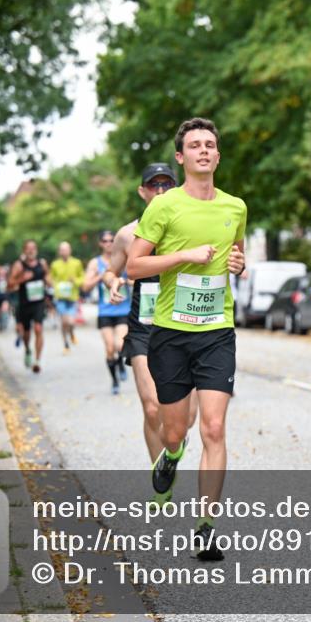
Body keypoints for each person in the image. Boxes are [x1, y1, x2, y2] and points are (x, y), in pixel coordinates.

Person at [127, 118, 246, 561]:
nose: (202, 151)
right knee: (177, 429)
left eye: (209, 145)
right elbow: (135, 268)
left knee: (214, 427)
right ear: (181, 157)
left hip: (217, 331)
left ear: (217, 155)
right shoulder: (163, 207)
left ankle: (206, 526)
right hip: (171, 334)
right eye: (194, 145)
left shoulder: (235, 207)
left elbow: (238, 252)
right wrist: (184, 257)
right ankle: (171, 454)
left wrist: (238, 263)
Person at [105, 162, 200, 499]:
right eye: (153, 185)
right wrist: (113, 282)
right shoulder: (127, 234)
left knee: (185, 419)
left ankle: (171, 453)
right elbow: (111, 270)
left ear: (175, 188)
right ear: (142, 192)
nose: (160, 191)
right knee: (151, 406)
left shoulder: (191, 227)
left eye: (166, 184)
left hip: (183, 326)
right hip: (144, 328)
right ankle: (162, 484)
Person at [83, 231, 132, 394]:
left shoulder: (124, 259)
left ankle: (120, 363)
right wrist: (102, 277)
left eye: (112, 240)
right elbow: (85, 286)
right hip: (105, 312)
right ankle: (115, 379)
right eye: (105, 241)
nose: (109, 243)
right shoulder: (95, 263)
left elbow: (135, 278)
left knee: (120, 344)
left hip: (123, 309)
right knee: (110, 348)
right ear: (100, 243)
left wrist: (126, 281)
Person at [8, 239, 52, 373]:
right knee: (26, 333)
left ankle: (37, 361)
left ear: (36, 250)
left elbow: (48, 277)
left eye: (33, 248)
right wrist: (22, 279)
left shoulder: (42, 264)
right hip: (24, 304)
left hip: (38, 302)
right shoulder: (19, 265)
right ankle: (27, 350)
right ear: (24, 250)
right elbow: (9, 285)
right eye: (28, 248)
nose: (31, 250)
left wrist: (51, 284)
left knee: (38, 328)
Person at [49, 242, 84, 353]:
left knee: (71, 322)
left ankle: (72, 333)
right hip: (60, 297)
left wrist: (76, 281)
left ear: (70, 250)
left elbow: (82, 277)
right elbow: (51, 278)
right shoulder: (55, 264)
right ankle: (65, 344)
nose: (64, 251)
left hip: (73, 296)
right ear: (59, 252)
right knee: (64, 322)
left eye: (66, 249)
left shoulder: (77, 263)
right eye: (62, 250)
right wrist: (55, 286)